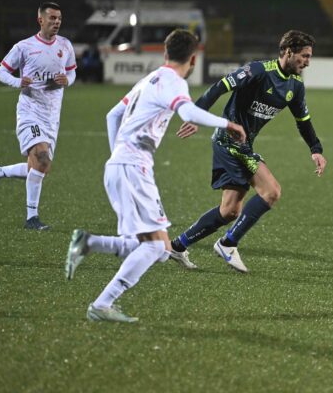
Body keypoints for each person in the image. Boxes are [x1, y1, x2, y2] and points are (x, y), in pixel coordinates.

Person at [64, 29, 245, 323]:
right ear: (194, 59)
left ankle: (89, 243)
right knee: (155, 246)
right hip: (132, 168)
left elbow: (113, 115)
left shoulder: (149, 78)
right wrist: (228, 124)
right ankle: (102, 303)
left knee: (159, 248)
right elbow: (188, 113)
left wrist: (117, 155)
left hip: (122, 166)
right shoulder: (173, 81)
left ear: (165, 54)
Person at [170, 29, 327, 273]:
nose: (307, 62)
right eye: (304, 56)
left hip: (244, 145)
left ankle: (178, 246)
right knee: (271, 191)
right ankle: (227, 244)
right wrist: (196, 115)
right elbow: (220, 87)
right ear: (288, 51)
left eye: (309, 57)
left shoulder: (295, 86)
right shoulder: (258, 70)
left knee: (230, 210)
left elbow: (303, 120)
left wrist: (315, 149)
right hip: (228, 142)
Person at [0, 2, 76, 230]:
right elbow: (1, 71)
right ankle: (31, 218)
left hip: (52, 116)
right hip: (30, 112)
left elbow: (72, 72)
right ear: (40, 20)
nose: (57, 22)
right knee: (42, 159)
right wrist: (17, 81)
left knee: (39, 166)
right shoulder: (24, 47)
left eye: (59, 19)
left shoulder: (65, 45)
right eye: (52, 18)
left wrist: (68, 80)